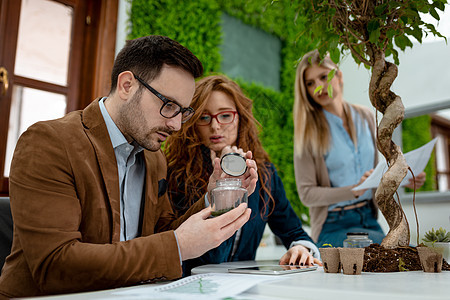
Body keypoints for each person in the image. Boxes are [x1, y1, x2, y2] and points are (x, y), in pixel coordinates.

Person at [0, 35, 258, 299]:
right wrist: (177, 246)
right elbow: (55, 265)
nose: (176, 125)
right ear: (126, 85)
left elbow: (163, 232)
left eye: (183, 111)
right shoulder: (49, 142)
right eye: (168, 105)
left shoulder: (153, 157)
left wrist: (213, 197)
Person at [164, 75, 321, 275]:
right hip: (190, 284)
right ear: (193, 123)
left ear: (240, 117)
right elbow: (195, 251)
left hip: (243, 286)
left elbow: (293, 232)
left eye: (225, 115)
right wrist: (224, 187)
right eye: (204, 117)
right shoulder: (177, 172)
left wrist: (301, 249)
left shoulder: (264, 175)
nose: (215, 126)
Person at [292, 49, 426, 247]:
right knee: (390, 255)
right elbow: (307, 194)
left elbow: (373, 177)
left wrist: (404, 179)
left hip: (369, 220)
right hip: (333, 226)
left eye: (323, 77)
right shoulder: (307, 134)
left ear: (339, 75)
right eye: (310, 83)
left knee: (408, 254)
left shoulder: (365, 116)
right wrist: (353, 190)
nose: (318, 86)